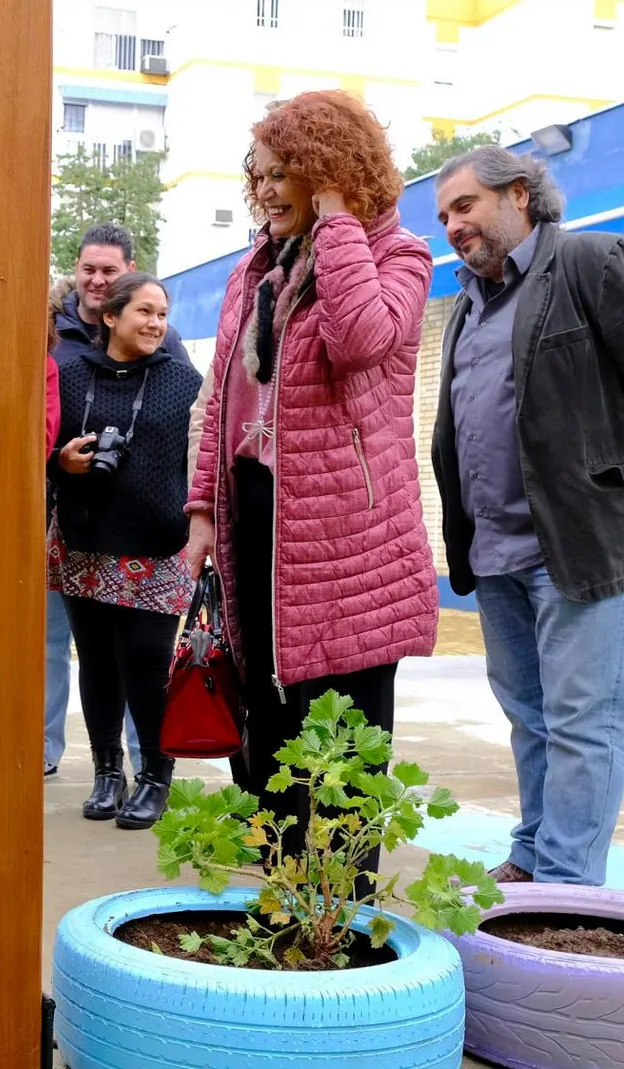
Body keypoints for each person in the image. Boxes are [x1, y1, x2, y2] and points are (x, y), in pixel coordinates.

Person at [431, 146, 624, 885]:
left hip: (583, 546)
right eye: (444, 216)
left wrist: (619, 473)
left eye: (464, 205)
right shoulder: (468, 303)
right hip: (496, 551)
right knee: (530, 715)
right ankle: (532, 855)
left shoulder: (597, 261)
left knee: (585, 721)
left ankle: (566, 886)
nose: (453, 225)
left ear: (519, 194)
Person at [181, 92, 438, 884]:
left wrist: (337, 221)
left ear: (329, 172)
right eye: (255, 176)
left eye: (282, 173)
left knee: (344, 713)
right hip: (254, 512)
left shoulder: (400, 256)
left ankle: (341, 896)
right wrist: (200, 512)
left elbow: (359, 339)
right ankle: (278, 874)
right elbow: (222, 401)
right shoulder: (253, 269)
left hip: (346, 531)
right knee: (261, 696)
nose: (262, 191)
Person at [51, 273, 201, 830]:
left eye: (162, 313)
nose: (156, 323)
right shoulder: (69, 378)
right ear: (110, 317)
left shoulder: (184, 381)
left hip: (158, 550)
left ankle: (157, 778)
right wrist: (61, 463)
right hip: (83, 543)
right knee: (96, 662)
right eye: (144, 311)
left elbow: (202, 462)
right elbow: (41, 450)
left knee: (147, 668)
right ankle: (107, 773)